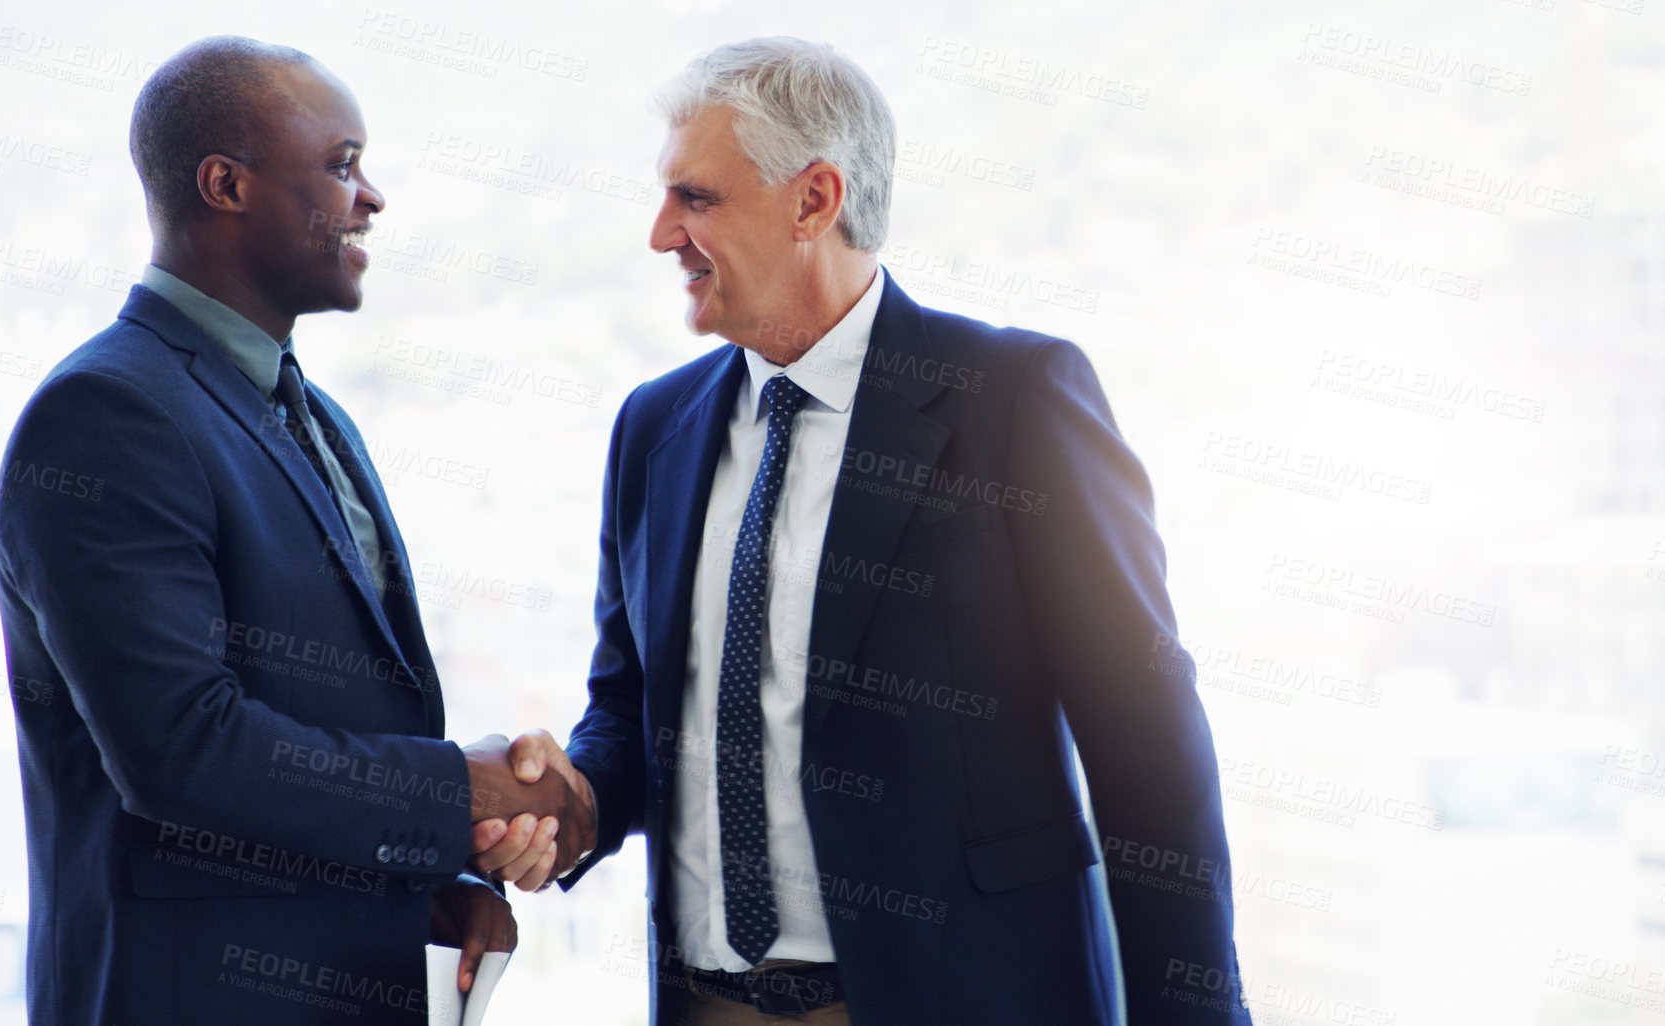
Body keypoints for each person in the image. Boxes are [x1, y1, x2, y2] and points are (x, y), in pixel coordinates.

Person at [473, 37, 1251, 1025]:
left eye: (696, 198)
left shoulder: (1015, 403)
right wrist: (567, 808)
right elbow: (632, 711)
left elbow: (1151, 753)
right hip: (710, 1004)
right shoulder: (653, 429)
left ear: (814, 201)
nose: (661, 234)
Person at [0, 36, 586, 1025]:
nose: (372, 198)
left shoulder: (311, 413)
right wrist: (459, 795)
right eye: (342, 165)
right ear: (225, 184)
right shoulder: (107, 415)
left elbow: (329, 736)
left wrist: (436, 891)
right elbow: (185, 752)